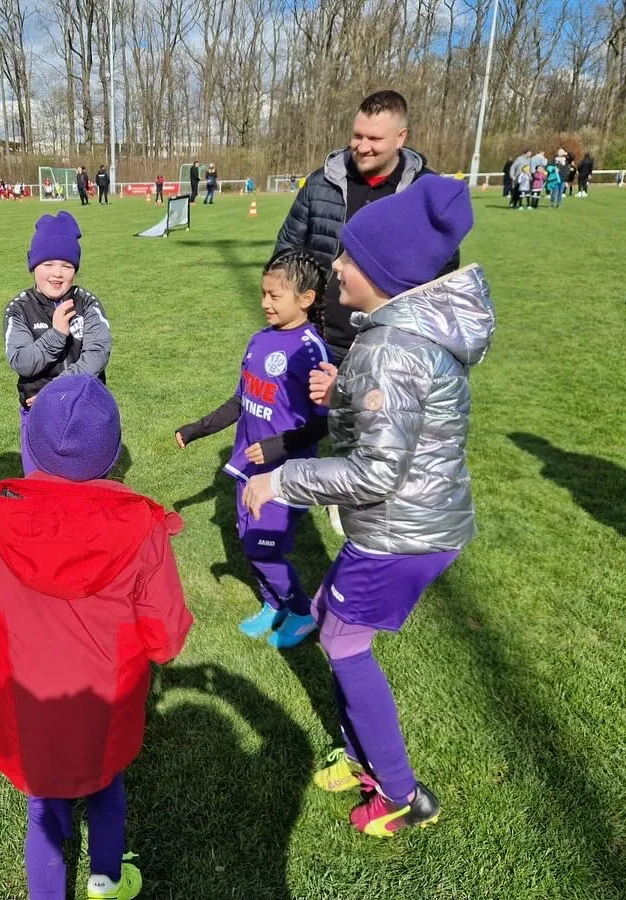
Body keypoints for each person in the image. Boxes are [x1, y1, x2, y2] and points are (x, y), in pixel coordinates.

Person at [243, 175, 495, 837]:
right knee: (331, 615)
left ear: (382, 274)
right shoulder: (400, 336)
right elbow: (401, 422)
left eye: (349, 259)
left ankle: (404, 794)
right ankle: (360, 759)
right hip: (420, 521)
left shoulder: (390, 350)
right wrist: (344, 393)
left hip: (399, 531)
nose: (336, 265)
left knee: (342, 641)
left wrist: (283, 480)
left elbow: (376, 470)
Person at [0, 374, 193, 900]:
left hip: (27, 695)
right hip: (108, 699)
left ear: (32, 445)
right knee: (105, 785)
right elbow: (165, 634)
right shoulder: (141, 528)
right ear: (112, 452)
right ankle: (107, 879)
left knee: (43, 805)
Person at [175, 250, 330, 648]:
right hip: (248, 465)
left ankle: (300, 610)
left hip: (283, 473)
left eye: (275, 296)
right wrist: (197, 429)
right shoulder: (259, 340)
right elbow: (241, 401)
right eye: (263, 294)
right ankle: (270, 603)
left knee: (264, 547)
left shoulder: (310, 350)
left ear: (306, 299)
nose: (265, 303)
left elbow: (323, 422)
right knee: (250, 542)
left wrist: (278, 446)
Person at [272, 90, 457, 367]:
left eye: (375, 138)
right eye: (358, 136)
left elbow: (443, 277)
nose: (363, 146)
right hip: (318, 340)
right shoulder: (321, 183)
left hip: (389, 350)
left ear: (401, 137)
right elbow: (286, 253)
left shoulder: (427, 193)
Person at [3, 211, 111, 474]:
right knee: (40, 491)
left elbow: (97, 354)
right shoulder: (18, 309)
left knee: (88, 493)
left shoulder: (88, 304)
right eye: (48, 264)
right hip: (38, 417)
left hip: (85, 414)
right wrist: (57, 334)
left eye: (67, 265)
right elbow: (22, 361)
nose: (57, 274)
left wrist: (55, 395)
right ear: (33, 265)